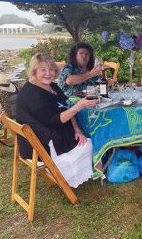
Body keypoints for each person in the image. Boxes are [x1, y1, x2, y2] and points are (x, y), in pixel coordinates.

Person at [16, 53, 98, 188]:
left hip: (53, 134)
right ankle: (67, 177)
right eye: (43, 70)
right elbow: (54, 121)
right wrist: (79, 106)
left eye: (51, 69)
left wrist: (77, 130)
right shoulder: (32, 94)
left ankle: (70, 174)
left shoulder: (52, 86)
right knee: (89, 143)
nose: (49, 73)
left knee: (85, 138)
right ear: (34, 71)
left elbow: (66, 107)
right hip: (41, 145)